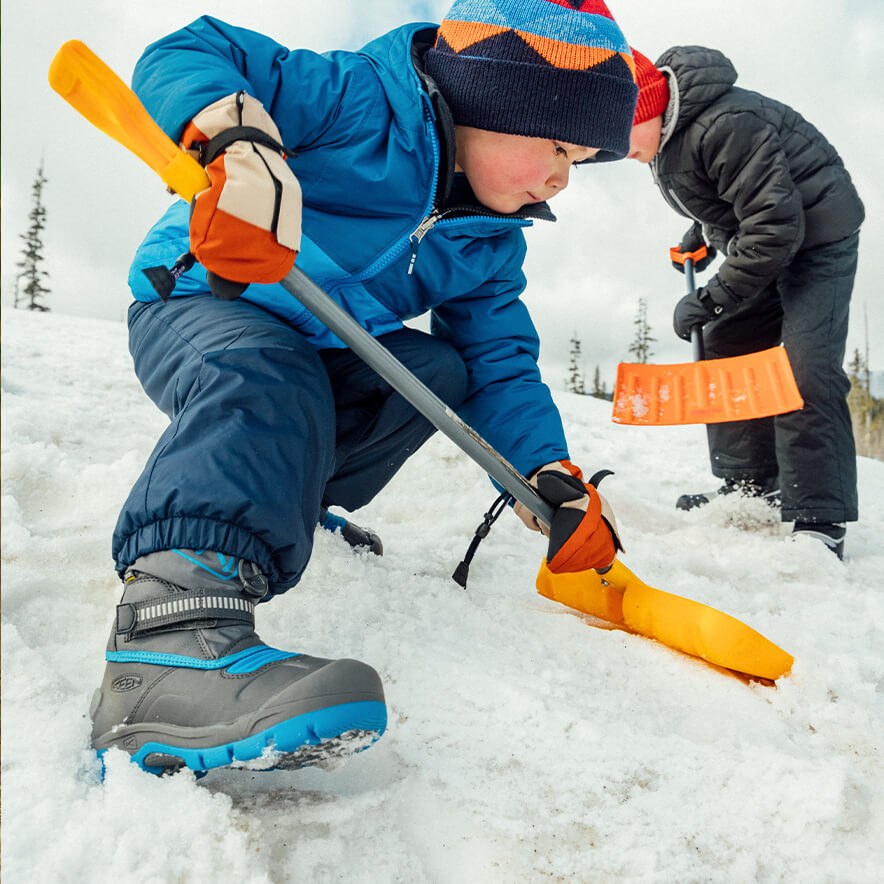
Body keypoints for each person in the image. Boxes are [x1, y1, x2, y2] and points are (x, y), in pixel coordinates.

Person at [90, 0, 637, 776]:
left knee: (436, 376)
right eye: (556, 145)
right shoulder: (357, 100)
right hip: (210, 298)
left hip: (322, 343)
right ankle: (164, 647)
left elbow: (496, 363)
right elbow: (192, 49)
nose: (561, 180)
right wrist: (240, 143)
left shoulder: (487, 238)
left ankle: (289, 501)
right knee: (264, 371)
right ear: (491, 100)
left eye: (577, 163)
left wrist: (547, 471)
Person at [625, 46, 864, 558]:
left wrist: (710, 298)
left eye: (620, 134)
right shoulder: (669, 134)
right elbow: (732, 191)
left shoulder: (725, 123)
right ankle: (752, 485)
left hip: (819, 239)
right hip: (768, 233)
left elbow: (775, 226)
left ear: (647, 110)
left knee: (804, 370)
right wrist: (702, 236)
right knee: (729, 342)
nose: (616, 150)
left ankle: (819, 517)